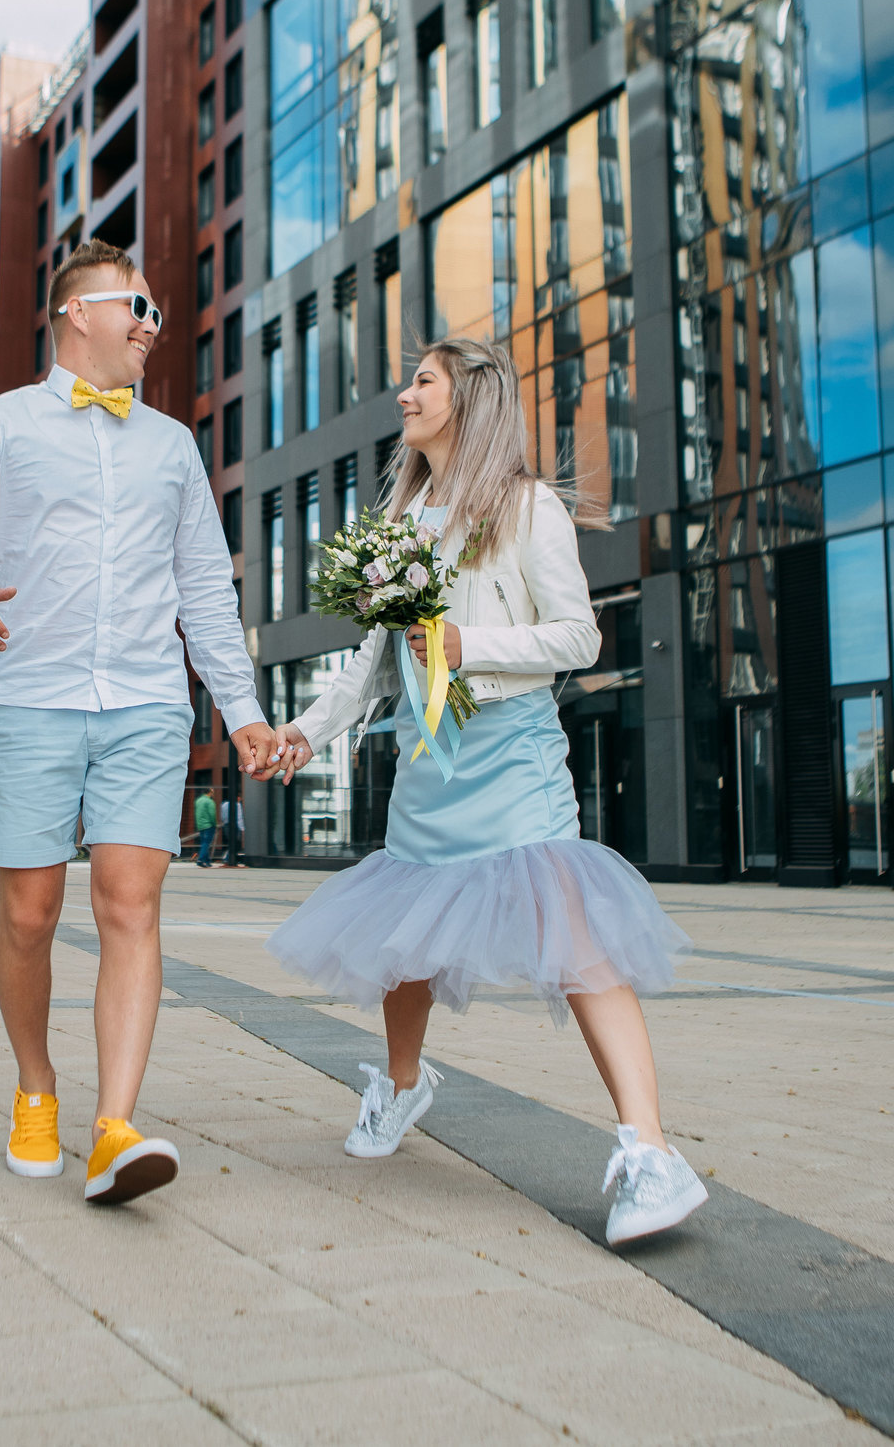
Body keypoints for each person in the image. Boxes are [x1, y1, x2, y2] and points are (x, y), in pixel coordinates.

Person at [264, 337, 707, 1246]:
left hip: (514, 757)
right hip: (430, 766)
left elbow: (579, 636)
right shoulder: (400, 523)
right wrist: (301, 733)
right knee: (407, 951)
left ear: (468, 392)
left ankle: (652, 1153)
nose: (404, 394)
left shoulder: (527, 506)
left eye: (422, 380)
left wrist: (474, 645)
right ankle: (399, 1085)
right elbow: (372, 668)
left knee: (578, 938)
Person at [0, 238, 277, 1207]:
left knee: (128, 904)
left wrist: (238, 709)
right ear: (78, 314)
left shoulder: (171, 446)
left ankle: (115, 1127)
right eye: (135, 307)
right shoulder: (3, 424)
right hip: (29, 699)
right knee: (28, 915)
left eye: (154, 312)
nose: (151, 326)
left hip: (147, 706)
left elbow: (201, 583)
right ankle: (36, 1087)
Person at [193, 788, 219, 868]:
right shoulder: (209, 801)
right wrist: (215, 824)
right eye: (212, 792)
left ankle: (207, 861)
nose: (213, 794)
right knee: (206, 843)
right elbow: (212, 814)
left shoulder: (198, 801)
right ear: (210, 793)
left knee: (204, 843)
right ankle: (200, 860)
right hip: (209, 825)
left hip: (200, 825)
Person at [220, 792, 245, 867]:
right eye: (240, 797)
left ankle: (227, 857)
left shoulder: (224, 805)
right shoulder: (237, 805)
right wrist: (242, 828)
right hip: (235, 825)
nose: (240, 799)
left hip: (226, 825)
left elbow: (222, 816)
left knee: (231, 842)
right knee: (236, 842)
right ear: (237, 797)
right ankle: (228, 858)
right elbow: (239, 818)